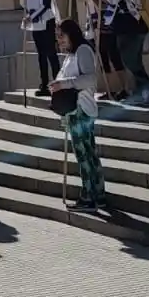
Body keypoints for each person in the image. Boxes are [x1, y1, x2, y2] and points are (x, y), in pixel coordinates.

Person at [51, 19, 107, 211]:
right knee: (89, 152)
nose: (60, 40)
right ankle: (98, 193)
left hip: (81, 109)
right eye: (58, 37)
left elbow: (90, 78)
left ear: (71, 34)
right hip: (75, 108)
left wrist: (64, 84)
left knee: (83, 154)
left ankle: (88, 196)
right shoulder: (71, 54)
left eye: (62, 36)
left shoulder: (83, 50)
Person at [83, 0, 127, 101]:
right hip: (96, 28)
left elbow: (103, 6)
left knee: (114, 56)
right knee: (103, 58)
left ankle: (124, 88)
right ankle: (109, 89)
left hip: (107, 28)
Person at [22, 0, 59, 97]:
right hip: (36, 26)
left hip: (46, 23)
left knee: (51, 53)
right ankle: (44, 84)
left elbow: (45, 5)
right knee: (41, 55)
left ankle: (57, 83)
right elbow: (24, 3)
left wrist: (32, 17)